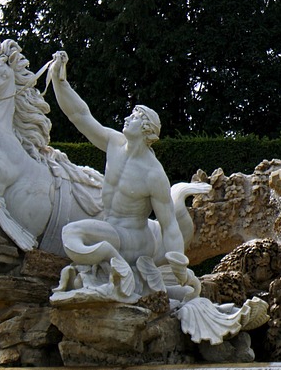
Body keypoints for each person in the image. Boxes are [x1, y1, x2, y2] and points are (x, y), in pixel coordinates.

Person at [48, 51, 192, 302]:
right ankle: (110, 261)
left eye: (134, 117)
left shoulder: (153, 173)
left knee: (71, 233)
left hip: (134, 240)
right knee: (74, 234)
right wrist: (60, 82)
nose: (126, 118)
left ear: (146, 129)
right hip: (112, 227)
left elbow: (169, 224)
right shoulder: (114, 143)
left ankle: (114, 261)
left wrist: (179, 263)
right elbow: (80, 116)